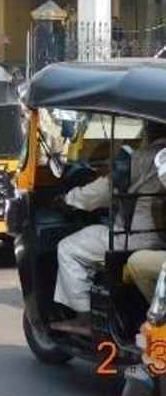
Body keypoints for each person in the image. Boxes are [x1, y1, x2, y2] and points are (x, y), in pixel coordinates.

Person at [53, 119, 166, 335]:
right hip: (160, 239)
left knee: (68, 248)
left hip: (132, 239)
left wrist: (67, 199)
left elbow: (100, 193)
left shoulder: (140, 158)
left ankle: (85, 318)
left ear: (150, 129)